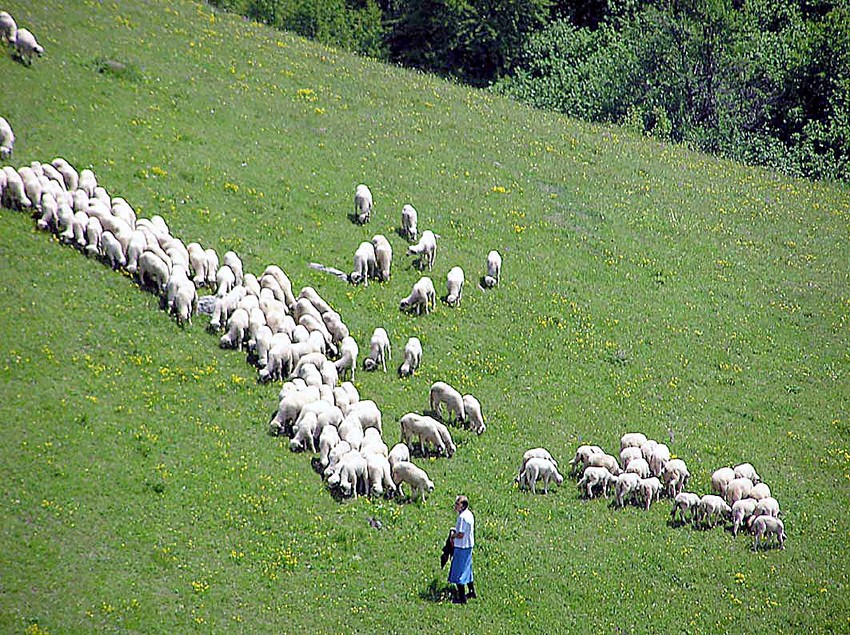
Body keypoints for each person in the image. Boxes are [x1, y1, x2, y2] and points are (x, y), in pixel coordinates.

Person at [448, 495, 476, 604]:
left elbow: (460, 534)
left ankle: (462, 598)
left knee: (458, 572)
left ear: (463, 506)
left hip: (461, 546)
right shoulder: (469, 514)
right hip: (469, 546)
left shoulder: (462, 517)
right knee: (467, 569)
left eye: (457, 504)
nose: (455, 505)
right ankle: (472, 592)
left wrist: (452, 535)